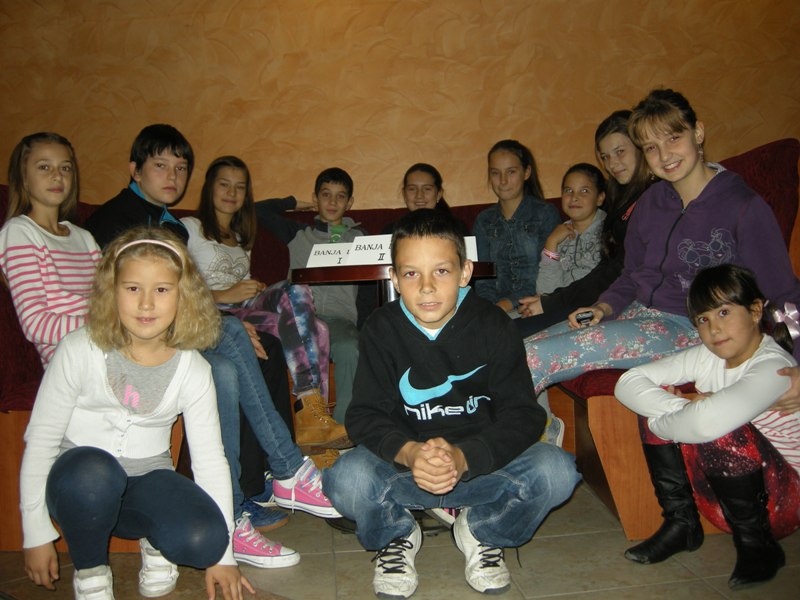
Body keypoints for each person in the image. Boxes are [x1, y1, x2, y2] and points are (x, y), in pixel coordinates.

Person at [83, 124, 341, 566]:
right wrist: (222, 320)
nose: (172, 176)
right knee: (236, 336)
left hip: (177, 331)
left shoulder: (169, 225)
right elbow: (133, 302)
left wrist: (219, 321)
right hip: (132, 338)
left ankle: (236, 509)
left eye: (180, 167)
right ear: (135, 169)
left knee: (226, 367)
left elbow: (185, 295)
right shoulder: (117, 220)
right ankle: (287, 468)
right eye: (160, 165)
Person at [322, 209, 580, 599]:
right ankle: (396, 533)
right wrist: (410, 453)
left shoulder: (494, 325)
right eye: (411, 273)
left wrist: (464, 457)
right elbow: (364, 414)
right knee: (345, 478)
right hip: (406, 472)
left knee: (557, 471)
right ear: (394, 278)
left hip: (481, 470)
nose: (426, 287)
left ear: (465, 273)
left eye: (441, 271)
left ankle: (481, 529)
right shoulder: (380, 327)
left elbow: (524, 415)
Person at [20, 227, 255, 599]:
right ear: (111, 292)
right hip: (79, 487)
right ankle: (91, 571)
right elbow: (41, 440)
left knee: (205, 539)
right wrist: (35, 531)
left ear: (184, 296)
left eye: (161, 290)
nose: (146, 304)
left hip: (144, 483)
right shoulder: (79, 349)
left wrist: (223, 555)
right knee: (94, 472)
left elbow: (211, 460)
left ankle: (155, 539)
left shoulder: (194, 369)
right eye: (132, 288)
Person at [523, 88, 800, 402]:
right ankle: (538, 429)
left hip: (690, 328)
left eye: (673, 138)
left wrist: (797, 366)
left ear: (698, 133)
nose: (665, 156)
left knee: (532, 358)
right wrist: (603, 307)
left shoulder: (741, 206)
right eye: (651, 148)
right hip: (634, 312)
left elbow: (784, 295)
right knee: (516, 351)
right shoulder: (651, 202)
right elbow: (631, 275)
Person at [615, 264, 800, 589]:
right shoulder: (707, 356)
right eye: (703, 319)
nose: (714, 328)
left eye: (724, 312)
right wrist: (683, 409)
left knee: (715, 424)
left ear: (755, 310)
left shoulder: (774, 366)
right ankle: (682, 524)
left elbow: (707, 423)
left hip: (784, 505)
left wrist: (683, 416)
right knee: (656, 400)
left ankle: (759, 548)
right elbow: (628, 382)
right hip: (722, 499)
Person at [182, 155, 348, 452]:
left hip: (245, 307)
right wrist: (221, 294)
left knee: (297, 290)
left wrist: (252, 289)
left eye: (240, 187)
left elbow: (243, 289)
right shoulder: (189, 228)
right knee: (318, 330)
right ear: (209, 188)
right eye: (224, 185)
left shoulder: (241, 236)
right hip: (213, 312)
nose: (232, 193)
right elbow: (172, 286)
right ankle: (313, 417)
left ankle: (313, 414)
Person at [516, 110, 654, 335]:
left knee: (519, 337)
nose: (612, 164)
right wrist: (550, 299)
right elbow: (610, 269)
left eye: (620, 152)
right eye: (605, 157)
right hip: (600, 299)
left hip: (625, 303)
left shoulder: (654, 197)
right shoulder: (622, 202)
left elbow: (614, 273)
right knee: (509, 329)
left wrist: (551, 302)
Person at [255, 167, 367, 423]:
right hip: (300, 319)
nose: (332, 202)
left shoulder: (360, 239)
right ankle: (305, 423)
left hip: (339, 320)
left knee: (350, 347)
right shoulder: (298, 234)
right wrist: (294, 203)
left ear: (349, 203)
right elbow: (256, 210)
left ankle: (343, 428)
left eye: (340, 196)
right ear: (316, 198)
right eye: (325, 194)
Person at [0, 132, 101, 368]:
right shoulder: (19, 232)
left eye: (65, 168)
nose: (57, 176)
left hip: (109, 345)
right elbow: (36, 325)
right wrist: (107, 326)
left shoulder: (84, 238)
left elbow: (109, 297)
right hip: (73, 361)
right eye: (44, 167)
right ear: (24, 178)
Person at [472, 139, 560, 313]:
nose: (503, 180)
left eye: (511, 172)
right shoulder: (483, 221)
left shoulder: (545, 214)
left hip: (537, 305)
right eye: (495, 173)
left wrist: (508, 303)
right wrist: (490, 311)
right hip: (495, 310)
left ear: (526, 172)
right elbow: (482, 279)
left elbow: (547, 273)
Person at [533, 163, 606, 296]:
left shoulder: (610, 232)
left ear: (600, 198)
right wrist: (551, 242)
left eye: (584, 191)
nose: (574, 197)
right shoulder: (559, 235)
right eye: (568, 190)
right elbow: (544, 291)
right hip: (560, 304)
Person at [380, 163, 468, 236]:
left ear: (438, 194)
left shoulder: (457, 229)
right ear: (404, 194)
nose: (419, 195)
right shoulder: (391, 231)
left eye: (427, 189)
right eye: (412, 189)